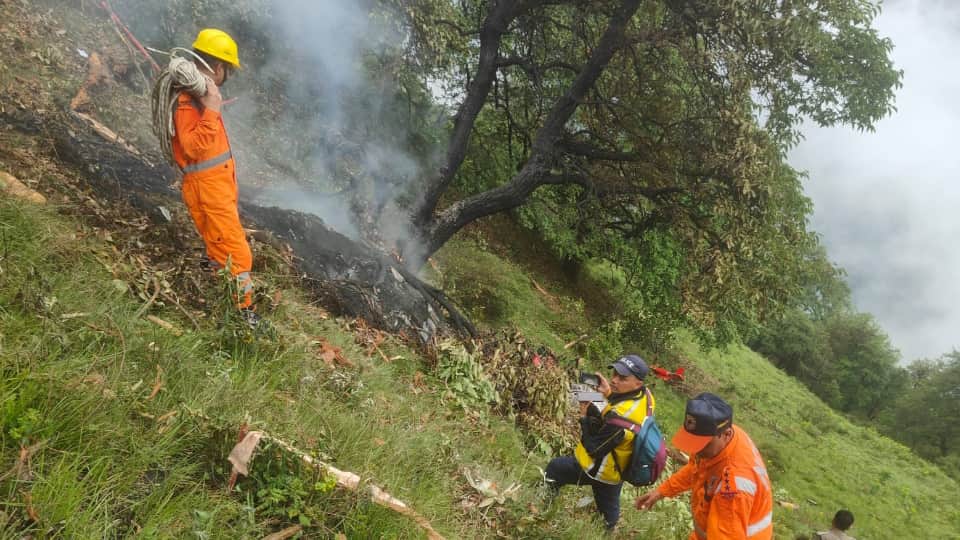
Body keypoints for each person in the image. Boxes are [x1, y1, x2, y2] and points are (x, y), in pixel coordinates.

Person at [171, 28, 258, 325]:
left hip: (215, 188)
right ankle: (243, 316)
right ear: (219, 67)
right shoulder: (189, 100)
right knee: (237, 254)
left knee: (220, 245)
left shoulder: (199, 95)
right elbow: (194, 147)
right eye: (227, 71)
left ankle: (215, 288)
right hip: (208, 190)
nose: (226, 77)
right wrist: (210, 110)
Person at [635, 393, 773, 540]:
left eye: (701, 444)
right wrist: (661, 491)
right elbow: (695, 469)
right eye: (692, 442)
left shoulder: (733, 487)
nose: (695, 450)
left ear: (725, 434)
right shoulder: (718, 440)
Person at [544, 354, 655, 531]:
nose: (614, 380)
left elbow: (593, 449)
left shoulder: (621, 419)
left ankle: (543, 508)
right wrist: (609, 394)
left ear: (638, 383)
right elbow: (618, 410)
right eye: (615, 374)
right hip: (618, 470)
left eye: (622, 378)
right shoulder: (646, 396)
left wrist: (583, 417)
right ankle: (609, 526)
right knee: (608, 517)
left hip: (598, 470)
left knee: (555, 469)